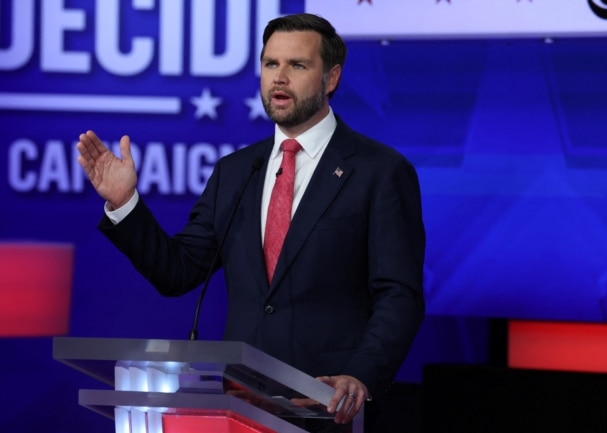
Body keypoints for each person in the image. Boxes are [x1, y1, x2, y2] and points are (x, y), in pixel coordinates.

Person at [77, 13, 425, 432]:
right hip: (240, 407)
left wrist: (361, 375)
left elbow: (398, 295)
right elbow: (178, 270)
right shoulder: (236, 171)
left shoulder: (379, 171)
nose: (279, 78)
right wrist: (125, 203)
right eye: (270, 64)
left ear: (331, 78)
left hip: (329, 407)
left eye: (297, 65)